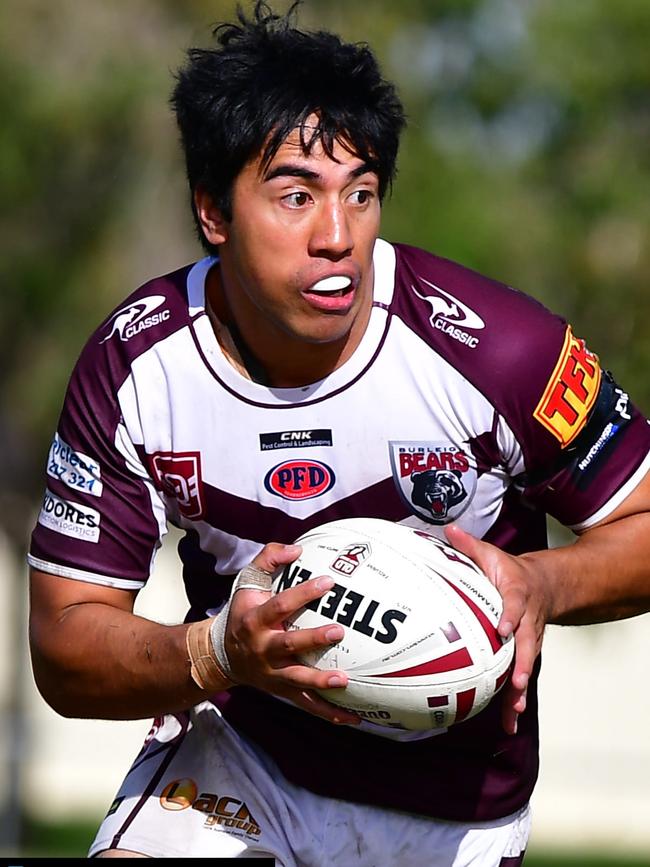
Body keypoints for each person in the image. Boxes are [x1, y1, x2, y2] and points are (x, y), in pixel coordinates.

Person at [27, 2, 650, 864]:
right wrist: (217, 653)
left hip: (455, 811)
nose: (337, 237)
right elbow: (65, 644)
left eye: (360, 194)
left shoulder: (498, 349)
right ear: (213, 210)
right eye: (295, 195)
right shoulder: (139, 368)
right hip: (243, 763)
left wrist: (545, 583)